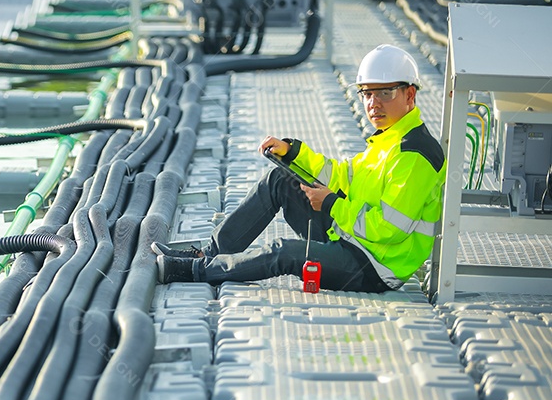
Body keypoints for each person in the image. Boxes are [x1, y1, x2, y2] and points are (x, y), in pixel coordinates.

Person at [154, 44, 445, 293]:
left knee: (286, 252)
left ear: (409, 95)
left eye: (384, 94)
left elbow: (389, 230)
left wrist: (330, 204)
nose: (373, 104)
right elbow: (341, 175)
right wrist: (293, 153)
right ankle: (210, 253)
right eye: (366, 94)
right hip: (349, 237)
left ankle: (196, 271)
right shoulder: (389, 138)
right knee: (280, 180)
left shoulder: (415, 154)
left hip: (373, 267)